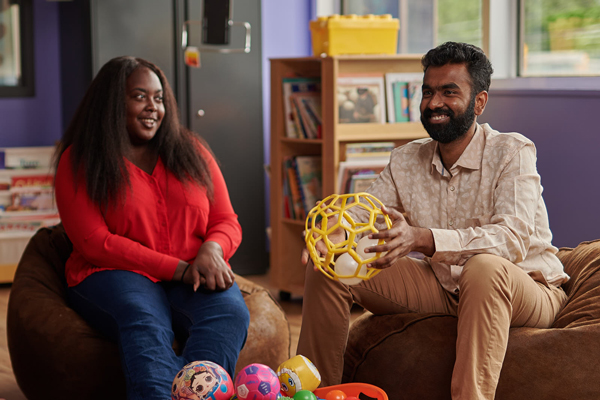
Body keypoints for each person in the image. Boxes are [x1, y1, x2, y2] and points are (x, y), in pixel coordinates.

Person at [297, 42, 569, 400]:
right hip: (443, 287)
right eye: (428, 92)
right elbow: (362, 213)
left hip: (525, 287)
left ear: (480, 102)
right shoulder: (405, 159)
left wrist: (423, 239)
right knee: (330, 263)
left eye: (449, 92)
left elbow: (512, 240)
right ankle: (317, 394)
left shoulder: (513, 152)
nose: (434, 103)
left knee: (484, 267)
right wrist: (330, 235)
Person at [53, 56, 250, 400]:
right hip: (114, 271)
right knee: (143, 318)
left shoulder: (192, 150)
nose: (152, 108)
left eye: (158, 98)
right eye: (139, 96)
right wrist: (176, 268)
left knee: (229, 312)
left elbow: (225, 220)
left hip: (193, 269)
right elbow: (94, 242)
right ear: (113, 103)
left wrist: (212, 249)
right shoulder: (79, 160)